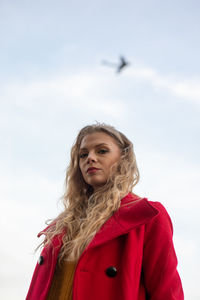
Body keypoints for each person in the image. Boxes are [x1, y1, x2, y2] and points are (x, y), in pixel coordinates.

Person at [26, 123, 184, 300]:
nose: (90, 158)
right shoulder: (62, 225)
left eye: (102, 151)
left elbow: (167, 291)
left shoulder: (146, 216)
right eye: (83, 154)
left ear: (123, 159)